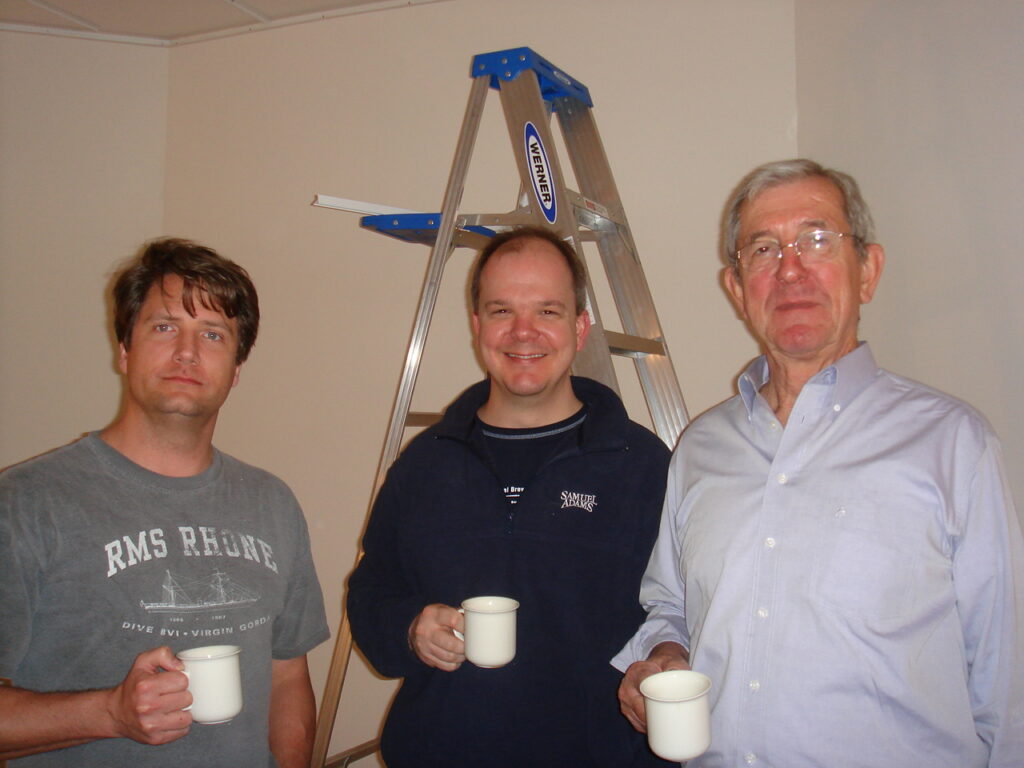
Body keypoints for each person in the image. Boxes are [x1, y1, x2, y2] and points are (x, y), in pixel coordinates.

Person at [614, 159, 1024, 767]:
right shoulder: (699, 448)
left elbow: (1007, 687)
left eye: (817, 240)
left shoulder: (954, 445)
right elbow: (670, 605)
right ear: (737, 289)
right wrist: (665, 654)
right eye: (763, 249)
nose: (790, 269)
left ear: (868, 270)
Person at [346, 226, 673, 767]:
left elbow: (681, 611)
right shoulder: (424, 463)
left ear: (580, 327)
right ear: (477, 325)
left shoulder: (642, 465)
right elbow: (370, 590)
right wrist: (409, 626)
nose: (524, 332)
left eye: (547, 311)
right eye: (502, 311)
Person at [0, 238, 329, 767]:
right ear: (124, 350)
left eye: (213, 334)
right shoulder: (25, 504)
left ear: (236, 368)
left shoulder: (273, 503)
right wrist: (109, 712)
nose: (187, 352)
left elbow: (288, 677)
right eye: (164, 327)